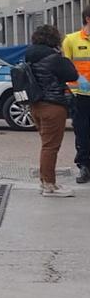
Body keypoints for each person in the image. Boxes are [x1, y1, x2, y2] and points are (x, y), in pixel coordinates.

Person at [28, 25, 79, 197]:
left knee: (46, 145)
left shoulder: (30, 55)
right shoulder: (54, 58)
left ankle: (45, 181)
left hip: (36, 105)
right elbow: (72, 74)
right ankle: (49, 185)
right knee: (51, 147)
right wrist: (62, 56)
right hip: (53, 105)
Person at [61, 9, 90, 184]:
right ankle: (84, 166)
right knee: (82, 132)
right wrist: (75, 88)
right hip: (81, 96)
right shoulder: (71, 40)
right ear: (88, 19)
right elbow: (66, 67)